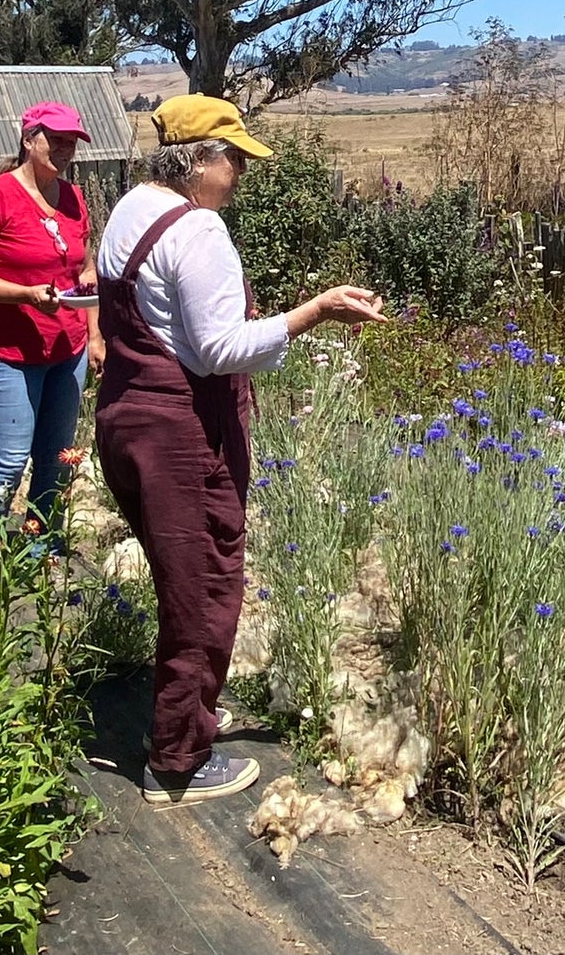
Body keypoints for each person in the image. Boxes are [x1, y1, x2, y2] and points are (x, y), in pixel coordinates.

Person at [95, 95, 385, 806]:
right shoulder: (198, 232)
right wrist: (313, 312)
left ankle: (182, 713)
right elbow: (221, 351)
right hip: (180, 436)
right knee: (204, 590)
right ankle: (178, 763)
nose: (239, 176)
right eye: (233, 160)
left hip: (126, 421)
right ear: (197, 160)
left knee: (179, 582)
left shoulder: (132, 208)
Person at [0, 102, 103, 592]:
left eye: (71, 141)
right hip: (7, 352)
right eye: (54, 139)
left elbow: (83, 272)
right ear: (28, 139)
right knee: (8, 461)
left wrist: (95, 333)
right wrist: (26, 295)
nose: (64, 149)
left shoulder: (75, 199)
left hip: (68, 349)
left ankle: (41, 553)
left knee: (57, 456)